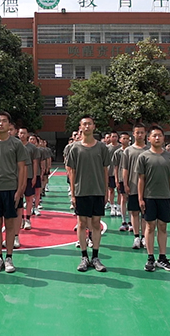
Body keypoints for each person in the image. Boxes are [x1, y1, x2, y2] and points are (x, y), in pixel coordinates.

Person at [0, 111, 29, 273]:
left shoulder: (16, 144)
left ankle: (9, 257)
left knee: (10, 225)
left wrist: (19, 190)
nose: (1, 123)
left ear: (9, 125)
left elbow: (22, 168)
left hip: (11, 189)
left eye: (4, 121)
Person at [66, 115, 110, 272]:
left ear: (94, 126)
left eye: (89, 124)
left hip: (97, 190)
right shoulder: (74, 148)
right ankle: (84, 256)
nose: (87, 126)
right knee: (82, 223)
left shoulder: (102, 148)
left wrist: (105, 191)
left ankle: (95, 257)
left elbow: (105, 171)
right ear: (80, 127)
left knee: (96, 223)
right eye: (84, 124)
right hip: (81, 191)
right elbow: (72, 172)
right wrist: (73, 194)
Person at [137, 125, 170, 272]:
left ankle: (162, 258)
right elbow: (141, 179)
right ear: (149, 138)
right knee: (150, 226)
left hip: (165, 196)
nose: (157, 138)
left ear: (163, 138)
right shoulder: (143, 157)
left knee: (163, 226)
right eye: (154, 135)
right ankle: (150, 258)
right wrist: (140, 198)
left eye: (160, 135)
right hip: (149, 197)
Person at [122, 123, 149, 249]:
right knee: (134, 212)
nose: (140, 135)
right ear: (133, 134)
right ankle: (136, 237)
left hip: (147, 187)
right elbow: (125, 169)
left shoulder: (149, 150)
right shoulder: (128, 151)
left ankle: (144, 237)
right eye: (137, 132)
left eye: (142, 132)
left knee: (145, 213)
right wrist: (125, 184)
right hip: (133, 185)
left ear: (145, 134)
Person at [113, 132, 131, 230]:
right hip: (121, 178)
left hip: (131, 179)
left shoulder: (131, 151)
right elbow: (116, 167)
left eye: (127, 138)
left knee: (131, 200)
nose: (125, 140)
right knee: (123, 198)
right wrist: (116, 179)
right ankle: (124, 221)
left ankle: (131, 221)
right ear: (120, 140)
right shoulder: (117, 153)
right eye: (123, 138)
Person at [106, 131, 121, 215]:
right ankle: (112, 207)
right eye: (113, 136)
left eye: (116, 136)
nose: (114, 138)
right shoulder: (107, 148)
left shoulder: (121, 147)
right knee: (111, 190)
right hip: (110, 172)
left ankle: (118, 207)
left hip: (119, 173)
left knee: (119, 191)